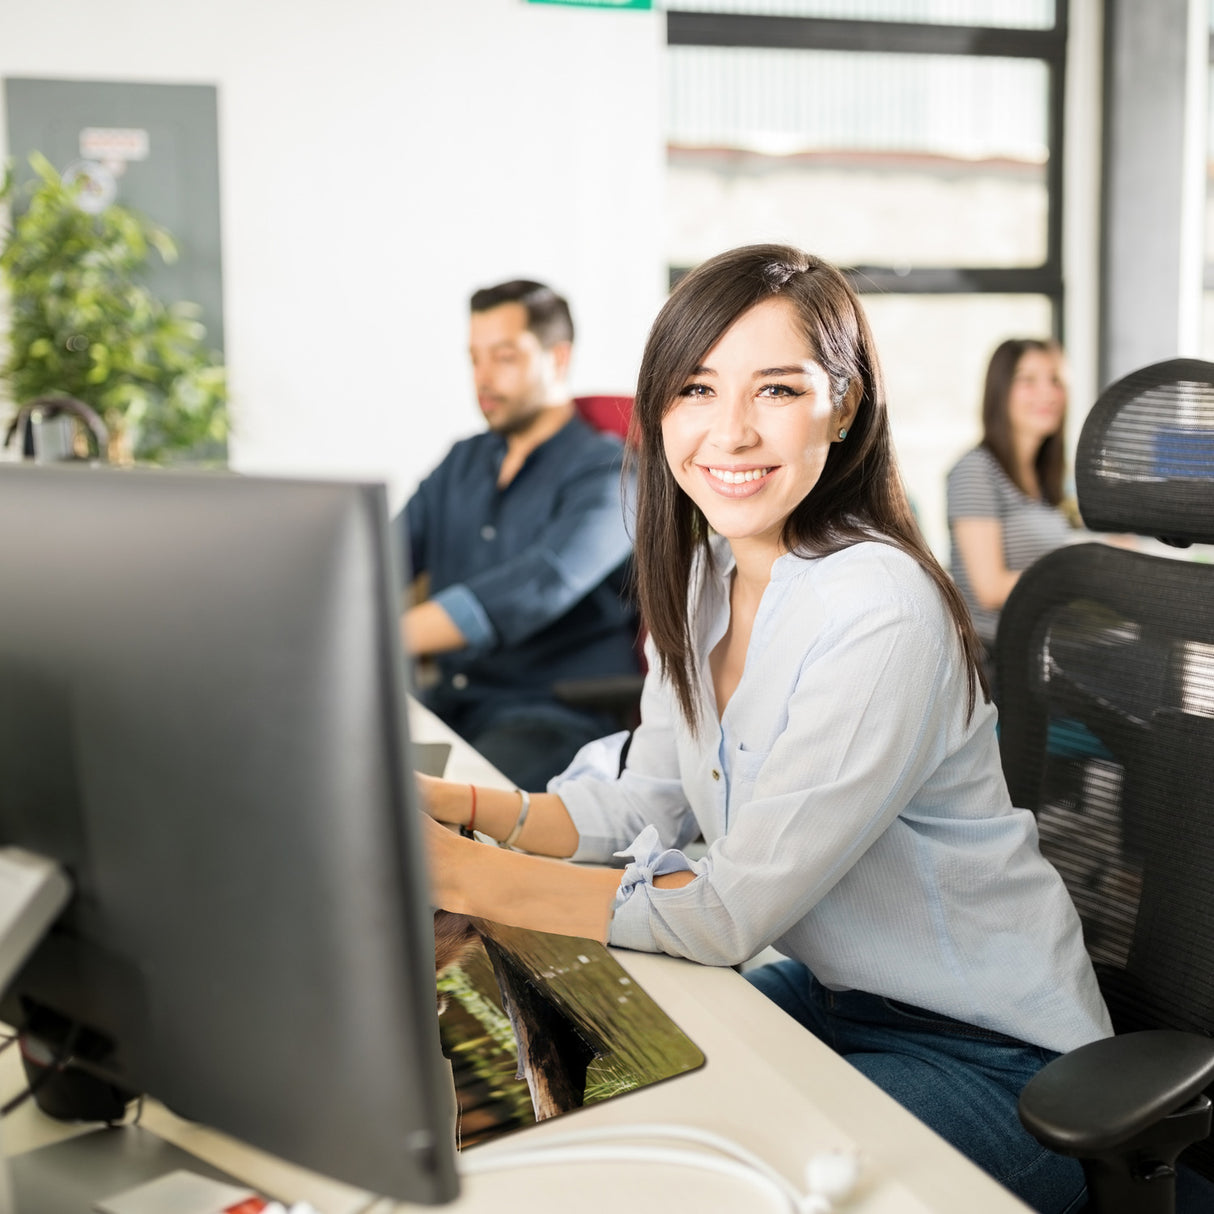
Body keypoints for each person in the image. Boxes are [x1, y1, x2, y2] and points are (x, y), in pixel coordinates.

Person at [419, 246, 1111, 1214]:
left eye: (776, 388)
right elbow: (637, 798)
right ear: (658, 407)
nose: (729, 430)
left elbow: (725, 909)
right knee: (546, 1093)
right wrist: (442, 805)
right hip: (831, 998)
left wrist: (459, 875)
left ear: (842, 404)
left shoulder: (880, 607)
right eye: (696, 388)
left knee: (706, 1190)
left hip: (995, 1057)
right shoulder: (706, 572)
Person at [398, 279, 639, 790]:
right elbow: (375, 561)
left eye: (503, 357)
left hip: (554, 714)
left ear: (557, 358)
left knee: (432, 818)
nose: (482, 378)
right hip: (454, 702)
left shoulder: (612, 473)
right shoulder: (461, 461)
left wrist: (381, 636)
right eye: (474, 359)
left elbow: (540, 585)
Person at [946, 338, 1082, 680]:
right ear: (1000, 391)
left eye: (1055, 380)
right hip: (996, 660)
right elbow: (989, 588)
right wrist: (1085, 569)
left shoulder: (1044, 479)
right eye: (1028, 380)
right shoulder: (975, 470)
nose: (1047, 393)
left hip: (1040, 648)